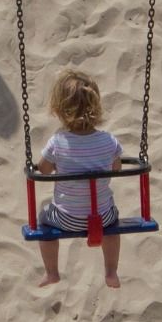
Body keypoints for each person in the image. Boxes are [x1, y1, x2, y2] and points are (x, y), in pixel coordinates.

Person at [34, 68, 124, 290]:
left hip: (66, 218)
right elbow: (117, 168)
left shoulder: (58, 141)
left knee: (43, 218)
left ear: (59, 109)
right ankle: (111, 271)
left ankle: (52, 272)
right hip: (102, 217)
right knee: (114, 225)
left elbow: (43, 170)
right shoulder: (108, 141)